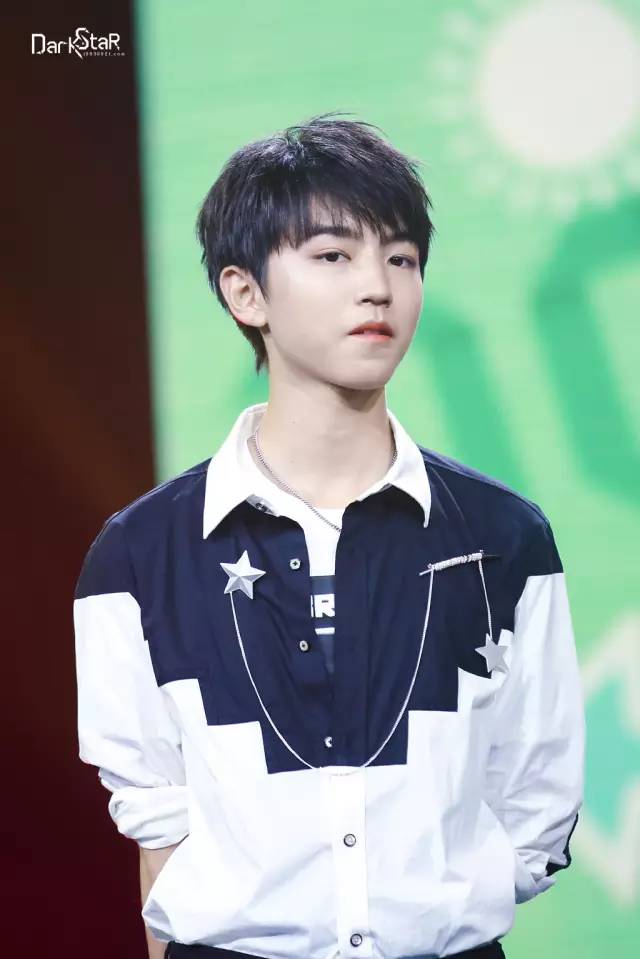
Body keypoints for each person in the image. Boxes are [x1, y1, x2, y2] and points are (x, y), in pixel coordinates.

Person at [73, 112, 585, 959]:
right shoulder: (139, 556)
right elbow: (158, 826)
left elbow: (538, 794)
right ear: (246, 293)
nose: (377, 286)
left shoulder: (504, 537)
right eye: (333, 256)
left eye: (401, 258)